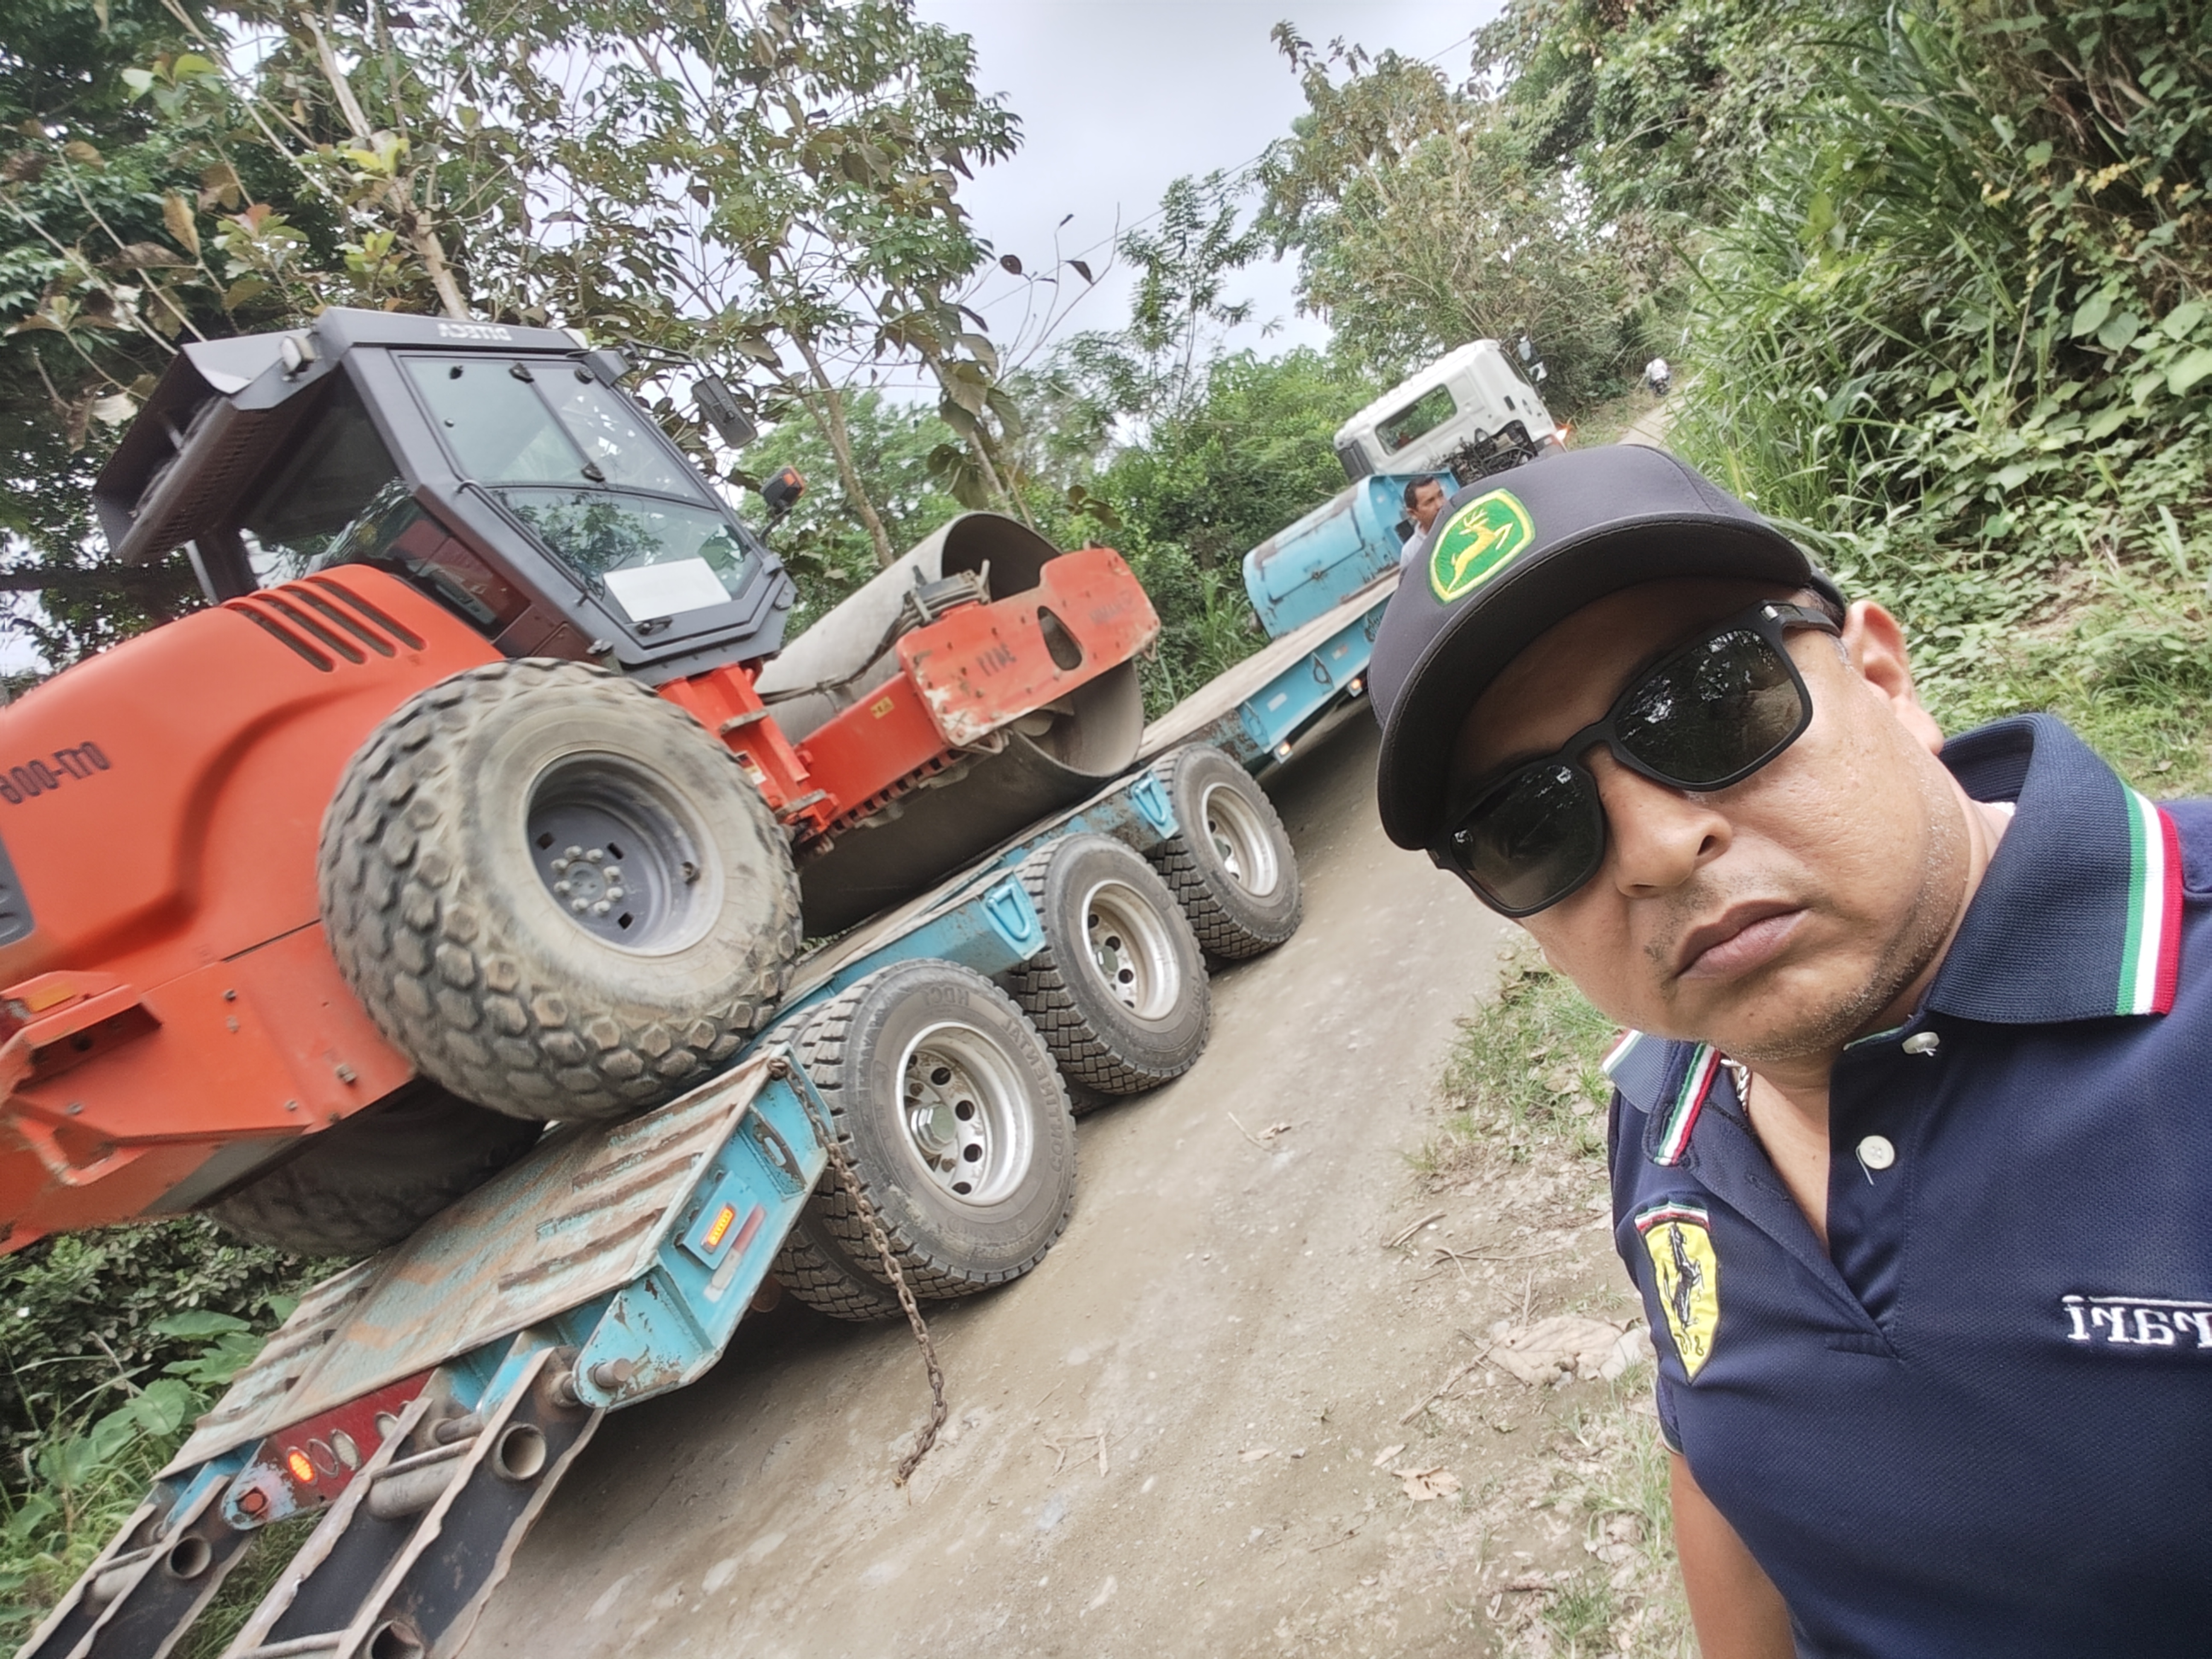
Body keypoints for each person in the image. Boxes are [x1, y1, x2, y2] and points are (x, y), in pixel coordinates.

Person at [1364, 444, 2211, 1658]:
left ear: (1883, 675)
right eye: (1529, 825)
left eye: (1712, 702)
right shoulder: (1663, 1106)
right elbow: (1718, 1447)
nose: (1653, 849)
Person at [1396, 475, 1448, 567]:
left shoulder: (1467, 524)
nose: (1440, 505)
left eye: (1441, 495)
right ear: (1413, 513)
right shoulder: (1411, 554)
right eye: (1430, 502)